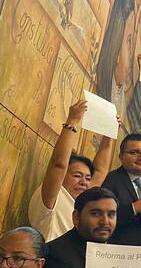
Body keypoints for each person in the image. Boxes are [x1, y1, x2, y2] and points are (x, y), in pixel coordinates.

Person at [28, 100, 115, 242]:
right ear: (63, 176)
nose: (84, 182)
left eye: (88, 178)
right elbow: (58, 164)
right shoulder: (53, 197)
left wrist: (109, 133)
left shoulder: (81, 200)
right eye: (77, 175)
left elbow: (100, 171)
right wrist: (72, 120)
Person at [101, 134, 141, 246]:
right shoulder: (112, 180)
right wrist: (133, 209)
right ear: (121, 157)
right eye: (134, 152)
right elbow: (103, 217)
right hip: (121, 252)